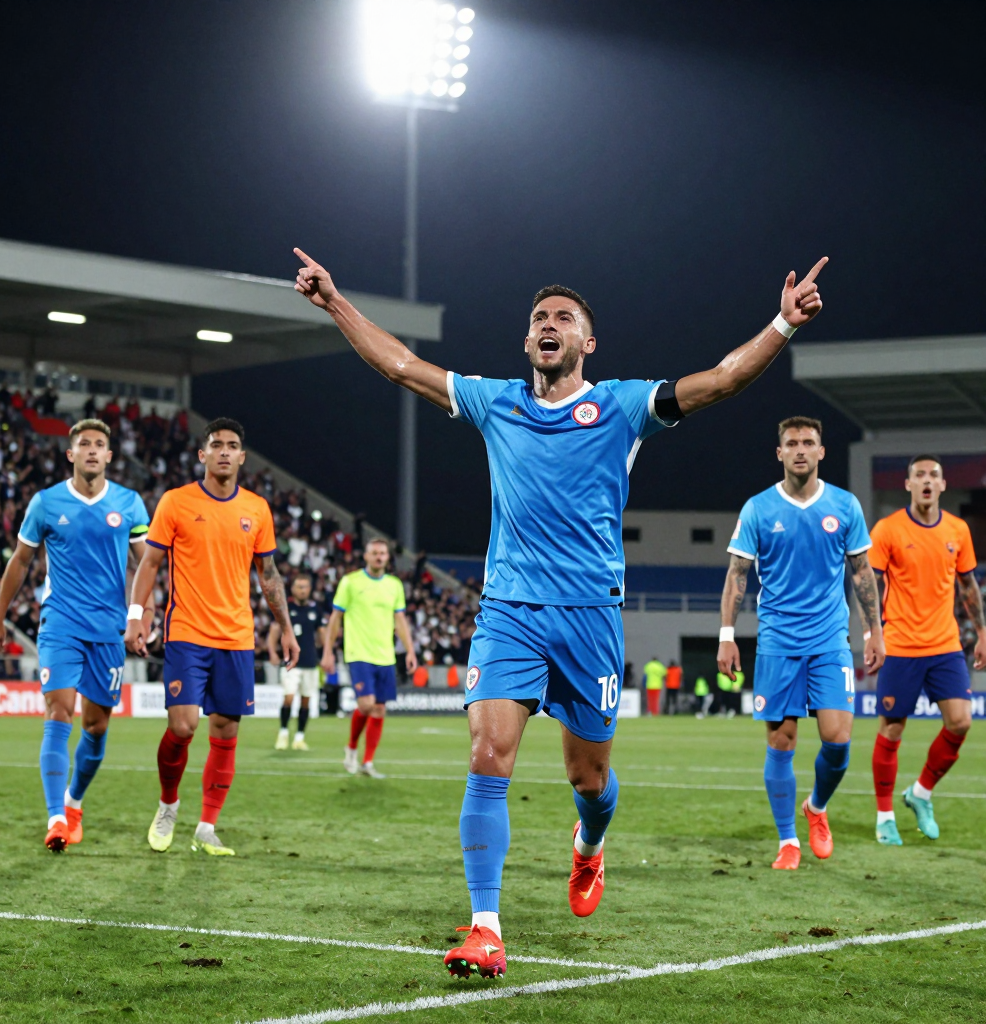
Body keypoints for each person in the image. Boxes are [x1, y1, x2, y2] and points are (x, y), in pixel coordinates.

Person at [294, 242, 829, 977]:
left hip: (589, 618)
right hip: (509, 610)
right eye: (539, 318)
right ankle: (486, 927)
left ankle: (590, 845)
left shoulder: (623, 407)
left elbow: (724, 379)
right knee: (488, 755)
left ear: (588, 342)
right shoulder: (496, 402)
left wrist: (784, 322)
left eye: (564, 318)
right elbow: (402, 365)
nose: (549, 324)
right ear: (527, 340)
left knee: (589, 781)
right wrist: (335, 303)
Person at [125, 418, 299, 857]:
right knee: (182, 727)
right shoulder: (176, 501)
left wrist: (286, 628)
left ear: (242, 457)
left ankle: (206, 826)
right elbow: (149, 564)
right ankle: (168, 805)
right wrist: (137, 616)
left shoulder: (257, 509)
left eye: (232, 445)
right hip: (186, 631)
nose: (224, 451)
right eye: (216, 445)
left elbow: (269, 575)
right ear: (202, 454)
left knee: (225, 732)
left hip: (236, 638)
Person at [718, 417, 884, 870]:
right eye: (791, 443)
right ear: (780, 453)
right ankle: (788, 840)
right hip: (777, 642)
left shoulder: (845, 505)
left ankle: (816, 807)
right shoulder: (758, 508)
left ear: (821, 452)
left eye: (808, 442)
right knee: (782, 741)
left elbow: (862, 573)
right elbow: (737, 575)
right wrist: (727, 636)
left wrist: (874, 631)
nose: (800, 450)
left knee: (838, 739)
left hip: (830, 638)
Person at [0, 419, 151, 851]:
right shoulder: (46, 502)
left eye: (99, 444)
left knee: (96, 725)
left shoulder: (130, 503)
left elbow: (147, 565)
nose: (92, 450)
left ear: (109, 456)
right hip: (60, 623)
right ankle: (56, 818)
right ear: (71, 454)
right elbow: (20, 561)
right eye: (84, 444)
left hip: (109, 629)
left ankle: (73, 802)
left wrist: (141, 614)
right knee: (58, 712)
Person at [868, 456, 985, 845]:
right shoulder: (888, 529)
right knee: (892, 729)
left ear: (943, 485)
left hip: (945, 644)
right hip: (900, 644)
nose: (926, 481)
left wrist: (982, 632)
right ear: (908, 485)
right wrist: (872, 634)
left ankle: (920, 792)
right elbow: (868, 585)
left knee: (961, 722)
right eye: (919, 476)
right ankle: (885, 817)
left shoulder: (958, 530)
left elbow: (968, 586)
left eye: (933, 475)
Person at [321, 538, 417, 778]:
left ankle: (367, 762)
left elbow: (400, 620)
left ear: (387, 557)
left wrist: (410, 650)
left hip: (385, 655)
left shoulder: (394, 585)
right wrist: (328, 651)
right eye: (374, 553)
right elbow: (335, 618)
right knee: (366, 704)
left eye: (382, 553)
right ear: (365, 556)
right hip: (358, 653)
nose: (378, 557)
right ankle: (352, 747)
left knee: (379, 709)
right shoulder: (350, 582)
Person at [269, 573, 326, 751]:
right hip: (290, 663)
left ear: (310, 589)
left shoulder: (316, 610)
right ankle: (283, 733)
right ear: (292, 589)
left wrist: (326, 653)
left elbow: (322, 634)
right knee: (289, 697)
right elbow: (274, 631)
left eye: (305, 587)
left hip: (310, 662)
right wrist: (272, 652)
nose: (302, 590)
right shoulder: (285, 608)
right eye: (299, 587)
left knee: (306, 701)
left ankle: (299, 737)